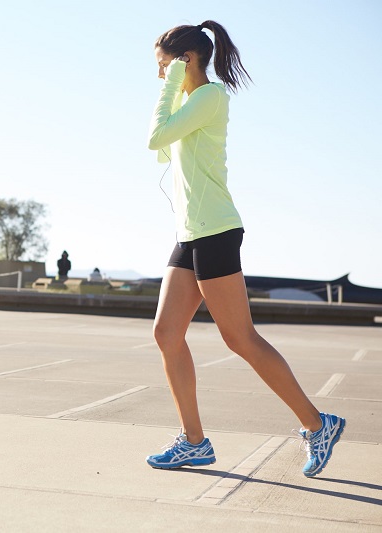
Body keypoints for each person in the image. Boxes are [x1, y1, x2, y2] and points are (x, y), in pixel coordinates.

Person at [145, 20, 344, 477]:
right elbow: (162, 148)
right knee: (166, 334)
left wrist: (175, 82)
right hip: (191, 232)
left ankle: (318, 425)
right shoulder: (188, 101)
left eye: (164, 67)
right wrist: (174, 88)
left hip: (215, 229)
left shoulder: (211, 97)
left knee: (240, 338)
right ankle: (194, 441)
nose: (160, 76)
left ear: (186, 60)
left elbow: (155, 138)